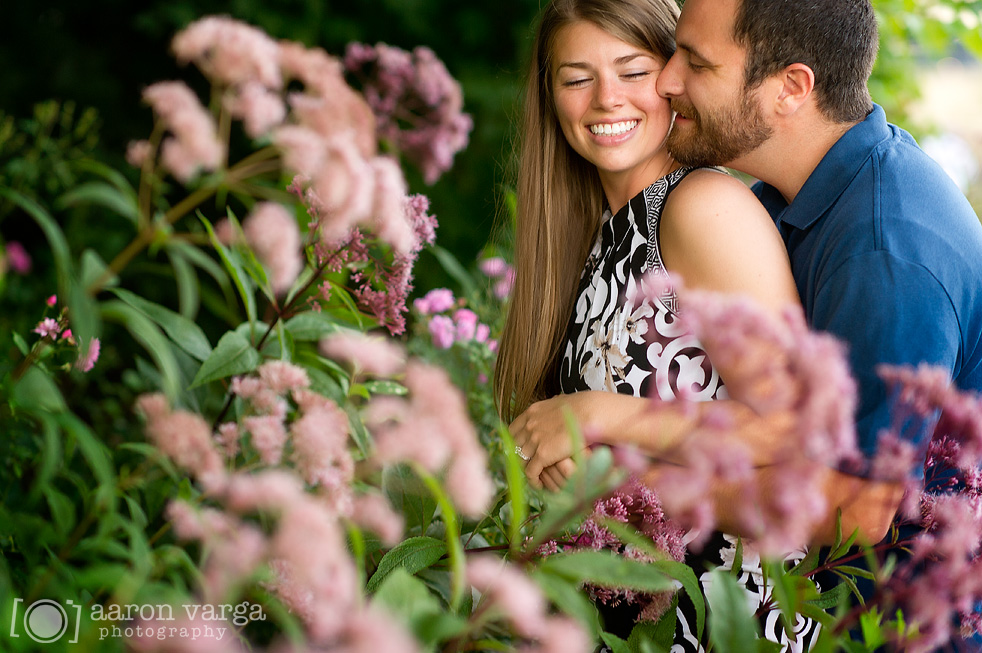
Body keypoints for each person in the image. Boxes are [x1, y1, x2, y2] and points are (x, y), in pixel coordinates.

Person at [494, 0, 826, 649]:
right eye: (576, 78)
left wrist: (598, 419)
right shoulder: (599, 235)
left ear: (675, 74)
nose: (605, 99)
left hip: (729, 623)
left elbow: (798, 428)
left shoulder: (701, 208)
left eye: (631, 70)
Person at [652, 0, 982, 645]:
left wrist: (638, 485)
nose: (666, 80)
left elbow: (857, 508)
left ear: (791, 88)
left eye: (695, 62)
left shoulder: (885, 249)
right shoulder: (800, 193)